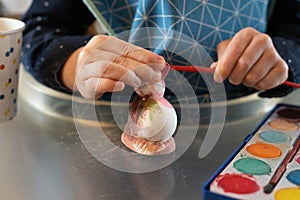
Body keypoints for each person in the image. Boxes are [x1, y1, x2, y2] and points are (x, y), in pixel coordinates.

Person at [21, 0, 300, 101]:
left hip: (247, 128)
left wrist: (279, 57)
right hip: (114, 137)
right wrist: (78, 65)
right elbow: (38, 31)